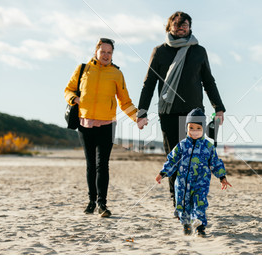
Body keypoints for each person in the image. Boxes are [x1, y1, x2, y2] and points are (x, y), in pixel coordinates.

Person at [137, 11, 226, 215]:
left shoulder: (198, 51)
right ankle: (177, 202)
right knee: (175, 158)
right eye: (177, 24)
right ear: (169, 27)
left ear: (190, 27)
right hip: (168, 112)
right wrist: (142, 112)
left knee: (197, 159)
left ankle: (194, 200)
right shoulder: (159, 52)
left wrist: (218, 107)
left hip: (194, 114)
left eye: (185, 23)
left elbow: (208, 81)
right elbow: (149, 83)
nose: (181, 26)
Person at [64, 38, 138, 217]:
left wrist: (137, 118)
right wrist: (74, 99)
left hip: (107, 125)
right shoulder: (83, 69)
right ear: (96, 51)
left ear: (112, 54)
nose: (106, 55)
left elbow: (125, 101)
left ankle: (102, 204)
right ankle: (91, 201)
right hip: (85, 124)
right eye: (103, 51)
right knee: (90, 165)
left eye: (109, 52)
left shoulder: (116, 74)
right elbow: (68, 89)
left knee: (102, 165)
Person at [155, 108, 231, 236]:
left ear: (203, 130)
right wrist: (163, 173)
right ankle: (185, 224)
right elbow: (172, 160)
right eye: (191, 128)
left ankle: (200, 227)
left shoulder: (208, 147)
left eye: (198, 128)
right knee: (183, 203)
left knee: (199, 202)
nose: (194, 132)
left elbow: (215, 162)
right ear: (186, 128)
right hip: (182, 182)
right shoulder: (182, 145)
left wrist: (222, 177)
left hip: (201, 182)